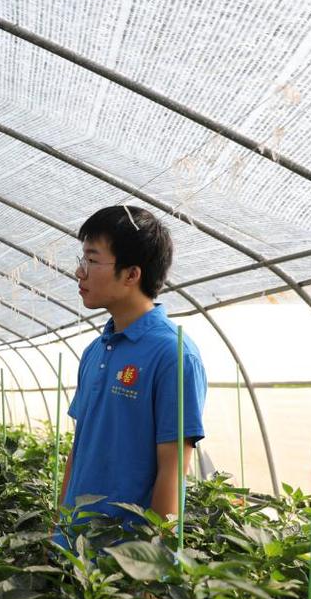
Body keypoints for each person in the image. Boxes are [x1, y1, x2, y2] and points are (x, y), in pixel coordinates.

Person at [56, 205, 208, 543]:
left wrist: (150, 570)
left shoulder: (173, 354)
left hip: (123, 562)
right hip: (72, 549)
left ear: (131, 274)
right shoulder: (96, 350)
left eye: (92, 261)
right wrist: (60, 530)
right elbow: (79, 449)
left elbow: (173, 470)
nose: (80, 273)